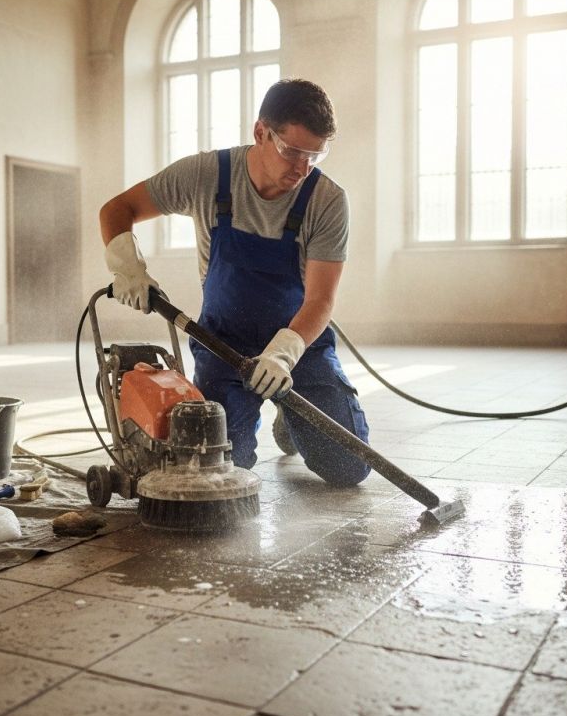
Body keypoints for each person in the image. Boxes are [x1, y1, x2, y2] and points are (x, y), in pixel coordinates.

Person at [100, 78, 370, 486]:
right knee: (220, 472)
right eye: (292, 151)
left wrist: (282, 356)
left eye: (315, 155)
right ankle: (280, 409)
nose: (302, 168)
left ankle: (291, 417)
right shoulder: (207, 175)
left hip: (299, 346)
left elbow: (320, 300)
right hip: (223, 343)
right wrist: (128, 267)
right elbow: (117, 209)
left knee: (349, 468)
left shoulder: (327, 199)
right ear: (261, 132)